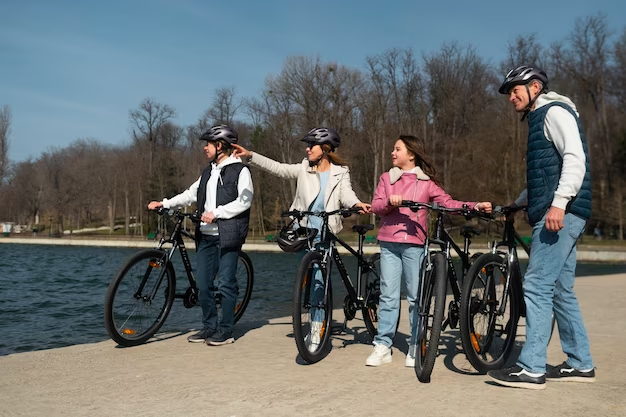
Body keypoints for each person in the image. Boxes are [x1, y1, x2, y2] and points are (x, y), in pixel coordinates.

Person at [487, 66, 595, 389]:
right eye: (508, 92)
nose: (510, 97)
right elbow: (546, 176)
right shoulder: (540, 118)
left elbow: (575, 159)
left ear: (535, 86)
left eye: (515, 89)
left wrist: (559, 203)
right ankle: (580, 362)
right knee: (561, 291)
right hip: (564, 210)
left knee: (535, 286)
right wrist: (519, 202)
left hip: (560, 214)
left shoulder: (553, 112)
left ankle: (531, 366)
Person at [232, 127, 370, 351]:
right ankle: (314, 320)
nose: (307, 150)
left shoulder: (341, 172)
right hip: (305, 231)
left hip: (326, 231)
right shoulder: (304, 169)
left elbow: (346, 194)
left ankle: (317, 329)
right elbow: (279, 168)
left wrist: (355, 204)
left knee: (319, 282)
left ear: (324, 149)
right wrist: (250, 156)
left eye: (311, 146)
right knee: (310, 279)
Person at [368, 135, 491, 367]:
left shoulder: (425, 183)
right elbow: (376, 206)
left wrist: (473, 206)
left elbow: (448, 202)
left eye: (397, 149)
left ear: (411, 154)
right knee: (388, 295)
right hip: (389, 243)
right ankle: (383, 345)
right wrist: (389, 203)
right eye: (393, 150)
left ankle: (417, 342)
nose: (392, 153)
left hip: (415, 244)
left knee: (417, 297)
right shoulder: (387, 178)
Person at [147, 125, 253, 346]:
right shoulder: (207, 172)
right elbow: (189, 194)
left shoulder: (240, 171)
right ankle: (209, 327)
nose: (205, 148)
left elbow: (245, 200)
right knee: (203, 285)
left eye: (208, 144)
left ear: (220, 145)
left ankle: (226, 330)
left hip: (228, 235)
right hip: (205, 235)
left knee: (225, 283)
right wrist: (164, 203)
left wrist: (217, 213)